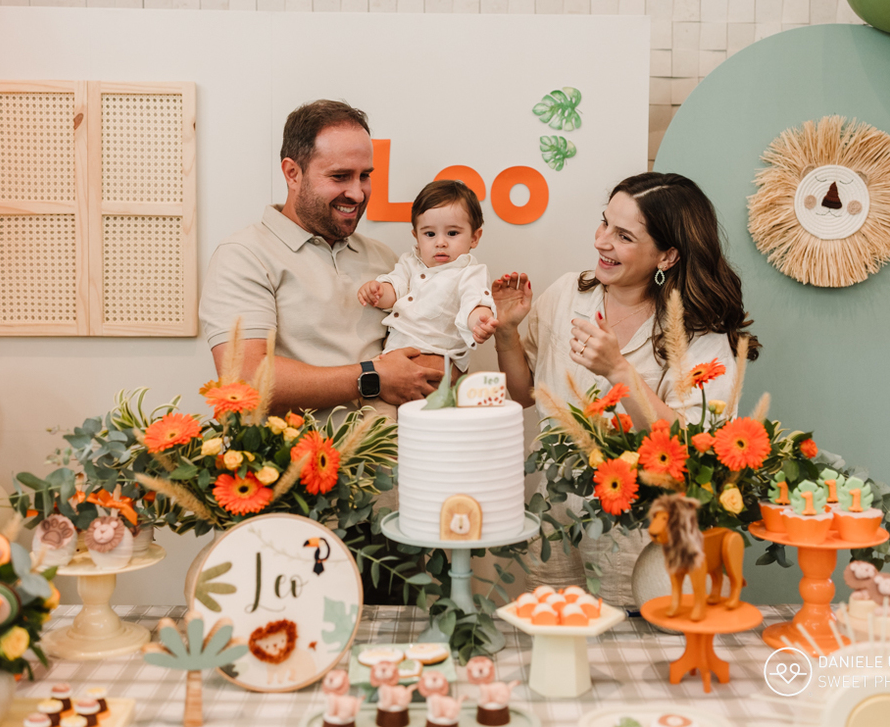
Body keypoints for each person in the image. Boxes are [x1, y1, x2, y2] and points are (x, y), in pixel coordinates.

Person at [491, 171, 761, 605]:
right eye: (604, 223)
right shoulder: (566, 295)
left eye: (624, 236)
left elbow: (696, 447)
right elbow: (523, 395)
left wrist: (619, 370)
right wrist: (506, 333)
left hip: (642, 535)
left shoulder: (699, 333)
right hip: (554, 523)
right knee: (556, 632)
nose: (601, 241)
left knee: (636, 641)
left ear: (667, 256)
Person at [199, 99, 444, 415]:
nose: (357, 193)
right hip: (304, 449)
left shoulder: (384, 258)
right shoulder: (244, 256)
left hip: (400, 446)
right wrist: (372, 377)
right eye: (340, 176)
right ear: (292, 173)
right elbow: (245, 379)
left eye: (364, 175)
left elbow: (423, 356)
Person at [357, 180, 499, 376]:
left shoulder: (469, 272)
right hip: (393, 355)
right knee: (367, 385)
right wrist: (378, 292)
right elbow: (395, 289)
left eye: (452, 233)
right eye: (430, 234)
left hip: (436, 357)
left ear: (474, 237)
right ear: (416, 237)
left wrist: (480, 322)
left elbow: (474, 302)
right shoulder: (409, 263)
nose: (440, 242)